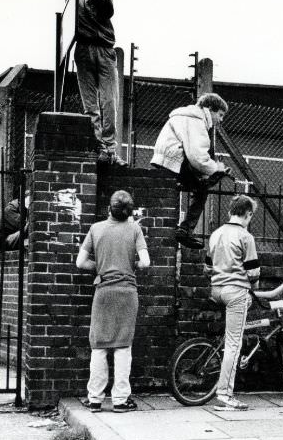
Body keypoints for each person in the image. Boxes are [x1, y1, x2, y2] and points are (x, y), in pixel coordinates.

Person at [76, 190, 150, 413]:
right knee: (122, 347)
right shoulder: (134, 228)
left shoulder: (96, 229)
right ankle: (120, 400)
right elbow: (145, 262)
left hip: (104, 291)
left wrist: (99, 268)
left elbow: (80, 262)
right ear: (129, 211)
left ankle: (95, 399)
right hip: (127, 292)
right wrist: (130, 267)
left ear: (110, 208)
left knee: (98, 346)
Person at [67, 0, 126, 167]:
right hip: (83, 50)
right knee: (90, 104)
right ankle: (100, 148)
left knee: (109, 100)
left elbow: (107, 10)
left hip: (104, 49)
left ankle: (111, 150)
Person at [151, 92, 231, 249]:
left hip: (165, 159)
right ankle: (185, 231)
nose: (220, 120)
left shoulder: (184, 115)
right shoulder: (196, 120)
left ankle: (183, 229)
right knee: (202, 189)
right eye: (220, 115)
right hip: (175, 161)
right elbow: (197, 156)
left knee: (201, 184)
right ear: (210, 109)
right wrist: (216, 167)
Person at [203, 194, 260, 411]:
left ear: (230, 212)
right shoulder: (246, 237)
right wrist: (253, 288)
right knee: (233, 345)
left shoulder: (216, 234)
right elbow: (253, 271)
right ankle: (225, 394)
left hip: (216, 290)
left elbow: (208, 267)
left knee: (229, 339)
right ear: (248, 214)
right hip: (236, 292)